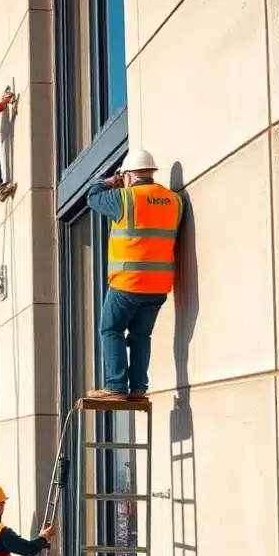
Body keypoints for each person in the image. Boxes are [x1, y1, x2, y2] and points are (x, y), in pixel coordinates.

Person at [84, 148, 183, 400]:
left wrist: (108, 181)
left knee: (111, 330)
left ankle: (117, 387)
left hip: (129, 281)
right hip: (159, 286)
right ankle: (138, 389)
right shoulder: (174, 201)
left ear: (128, 175)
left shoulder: (125, 198)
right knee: (141, 335)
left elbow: (92, 197)